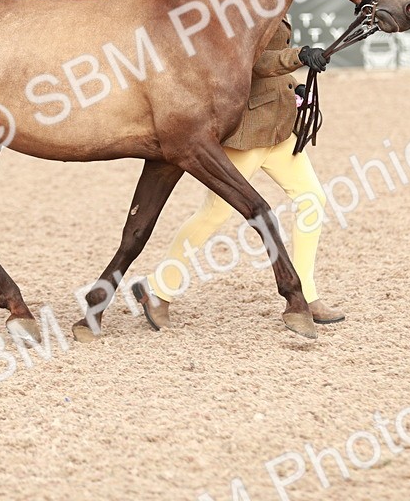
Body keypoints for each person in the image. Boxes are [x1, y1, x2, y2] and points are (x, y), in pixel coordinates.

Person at [132, 17, 343, 329]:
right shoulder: (244, 7)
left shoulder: (277, 2)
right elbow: (253, 59)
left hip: (279, 127)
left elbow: (274, 61)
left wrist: (292, 85)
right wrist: (298, 56)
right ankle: (158, 289)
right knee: (213, 214)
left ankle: (307, 295)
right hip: (249, 130)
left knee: (313, 199)